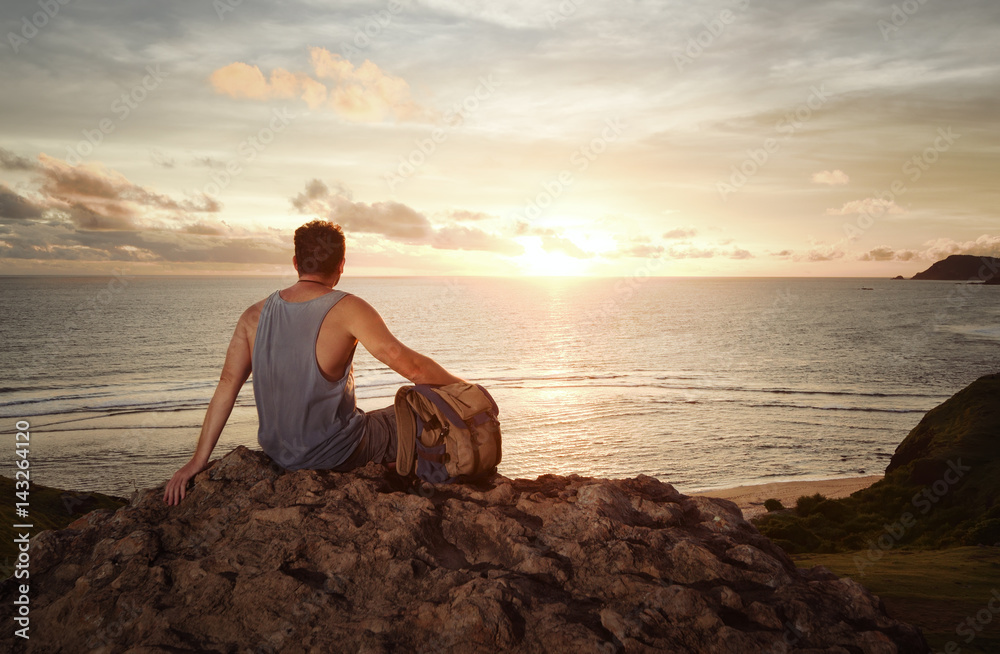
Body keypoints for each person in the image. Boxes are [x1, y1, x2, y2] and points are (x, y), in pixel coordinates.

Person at [163, 220, 463, 505]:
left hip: (281, 455)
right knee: (425, 411)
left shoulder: (253, 316)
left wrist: (196, 462)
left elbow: (227, 386)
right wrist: (464, 390)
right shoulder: (349, 308)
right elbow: (410, 366)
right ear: (341, 265)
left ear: (296, 262)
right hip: (339, 452)